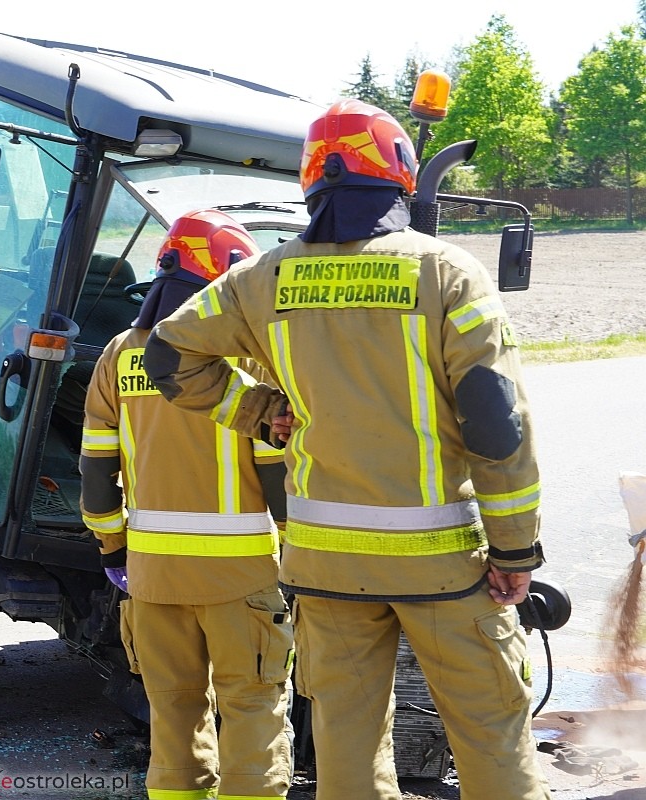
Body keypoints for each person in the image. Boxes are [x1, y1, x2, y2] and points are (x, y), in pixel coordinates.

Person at [143, 100, 551, 799]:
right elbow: (495, 423)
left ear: (312, 181)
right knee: (490, 732)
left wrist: (259, 409)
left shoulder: (262, 278)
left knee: (346, 742)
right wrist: (515, 551)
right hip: (444, 567)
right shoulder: (448, 274)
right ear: (399, 173)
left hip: (326, 566)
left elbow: (166, 353)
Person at [80, 210, 293, 800]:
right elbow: (277, 476)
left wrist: (113, 545)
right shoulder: (246, 359)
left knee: (173, 720)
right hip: (240, 576)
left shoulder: (120, 357)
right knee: (252, 710)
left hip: (151, 580)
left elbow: (97, 472)